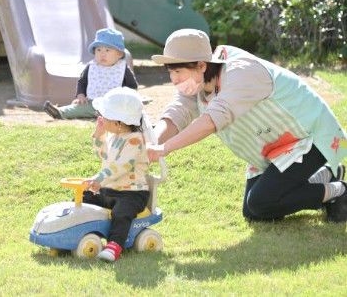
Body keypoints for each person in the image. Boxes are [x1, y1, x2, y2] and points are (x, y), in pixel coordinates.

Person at [147, 29, 347, 223]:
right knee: (253, 212)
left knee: (262, 202)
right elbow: (176, 115)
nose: (174, 79)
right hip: (274, 147)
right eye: (170, 71)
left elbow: (211, 121)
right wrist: (148, 145)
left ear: (201, 65)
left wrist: (164, 149)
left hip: (308, 136)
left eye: (178, 71)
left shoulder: (241, 72)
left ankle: (339, 191)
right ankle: (327, 175)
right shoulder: (199, 83)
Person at [82, 87, 150, 262]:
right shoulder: (115, 136)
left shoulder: (135, 139)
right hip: (110, 190)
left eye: (106, 116)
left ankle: (114, 245)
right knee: (86, 197)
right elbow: (103, 156)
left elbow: (121, 166)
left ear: (119, 122)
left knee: (122, 212)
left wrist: (99, 178)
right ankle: (83, 233)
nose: (102, 119)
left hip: (132, 193)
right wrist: (99, 135)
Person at [43, 28, 138, 119]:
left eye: (107, 50)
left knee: (126, 113)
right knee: (79, 108)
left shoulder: (122, 69)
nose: (102, 54)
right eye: (99, 50)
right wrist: (81, 95)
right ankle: (60, 112)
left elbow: (132, 86)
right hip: (93, 103)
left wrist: (126, 100)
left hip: (114, 105)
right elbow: (82, 82)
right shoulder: (92, 66)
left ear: (119, 54)